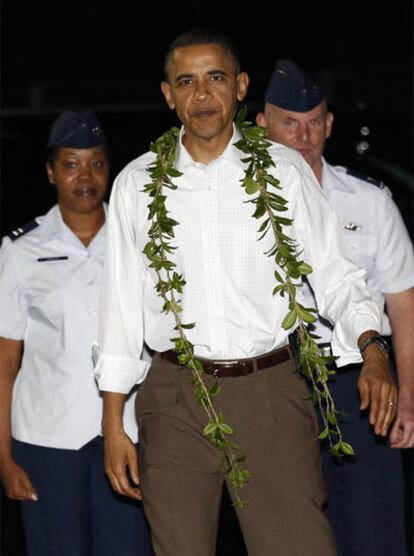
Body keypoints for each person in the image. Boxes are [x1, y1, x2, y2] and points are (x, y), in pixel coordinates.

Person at [95, 29, 398, 556]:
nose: (202, 95)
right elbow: (119, 308)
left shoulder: (283, 171)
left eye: (215, 78)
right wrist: (113, 423)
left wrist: (373, 347)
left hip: (270, 390)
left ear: (239, 86)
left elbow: (334, 273)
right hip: (173, 397)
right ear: (168, 95)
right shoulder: (137, 184)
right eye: (186, 82)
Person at [256, 59, 414, 556]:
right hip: (276, 381)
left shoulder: (370, 202)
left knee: (372, 529)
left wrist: (407, 394)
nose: (302, 136)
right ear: (263, 125)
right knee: (289, 533)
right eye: (289, 123)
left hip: (359, 378)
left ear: (328, 125)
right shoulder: (236, 203)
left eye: (313, 123)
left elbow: (403, 305)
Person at [0, 111, 153, 556]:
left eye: (96, 164)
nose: (85, 176)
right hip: (47, 442)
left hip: (127, 431)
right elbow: (6, 362)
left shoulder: (138, 242)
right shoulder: (21, 250)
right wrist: (4, 457)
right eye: (71, 164)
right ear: (50, 172)